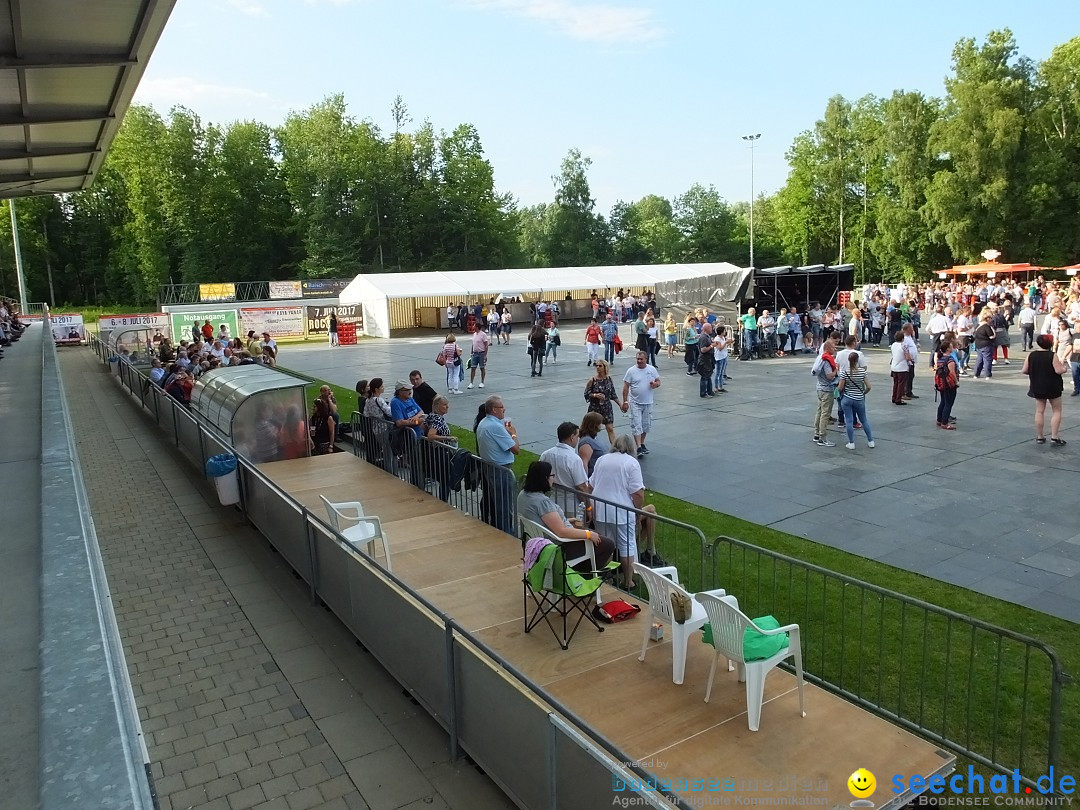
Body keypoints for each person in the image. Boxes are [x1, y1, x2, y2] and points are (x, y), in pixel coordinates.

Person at [518, 461, 615, 573]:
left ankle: (582, 570)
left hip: (543, 540)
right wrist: (588, 534)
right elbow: (561, 532)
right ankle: (584, 574)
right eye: (552, 476)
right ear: (544, 478)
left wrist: (567, 521)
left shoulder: (523, 495)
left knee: (599, 536)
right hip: (559, 546)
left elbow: (543, 522)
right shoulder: (542, 502)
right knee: (608, 544)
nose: (553, 479)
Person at [589, 434, 646, 589]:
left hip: (600, 508)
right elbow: (638, 493)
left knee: (605, 545)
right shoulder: (631, 463)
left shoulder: (602, 459)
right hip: (621, 511)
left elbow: (591, 485)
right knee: (626, 546)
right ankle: (628, 581)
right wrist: (637, 510)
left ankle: (605, 580)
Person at [475, 396, 519, 535]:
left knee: (497, 502)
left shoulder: (484, 422)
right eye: (501, 407)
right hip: (501, 469)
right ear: (494, 409)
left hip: (491, 467)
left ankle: (499, 528)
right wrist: (513, 434)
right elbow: (516, 449)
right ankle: (506, 532)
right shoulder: (495, 426)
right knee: (504, 505)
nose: (504, 409)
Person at [1022, 334, 1067, 445]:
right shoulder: (1052, 355)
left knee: (1039, 411)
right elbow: (1058, 370)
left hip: (1037, 385)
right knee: (1056, 411)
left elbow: (1024, 370)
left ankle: (1040, 436)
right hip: (1052, 386)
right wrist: (1064, 368)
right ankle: (1054, 437)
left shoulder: (1031, 355)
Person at [539, 421, 590, 517]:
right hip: (572, 506)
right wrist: (589, 507)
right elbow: (582, 486)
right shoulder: (574, 459)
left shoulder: (546, 454)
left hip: (552, 503)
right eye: (577, 436)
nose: (578, 439)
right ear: (572, 437)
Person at [621, 350, 661, 458]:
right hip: (635, 402)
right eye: (637, 359)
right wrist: (625, 401)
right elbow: (625, 387)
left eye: (641, 359)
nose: (639, 361)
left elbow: (659, 381)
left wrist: (655, 385)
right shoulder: (631, 371)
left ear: (645, 359)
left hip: (648, 402)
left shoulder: (651, 369)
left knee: (646, 424)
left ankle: (642, 443)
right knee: (636, 424)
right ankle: (638, 446)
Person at [837, 348, 874, 451]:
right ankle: (871, 441)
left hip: (847, 398)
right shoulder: (862, 372)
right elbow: (869, 386)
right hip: (859, 398)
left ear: (849, 361)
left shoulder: (845, 372)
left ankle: (851, 443)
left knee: (848, 421)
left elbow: (840, 388)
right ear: (857, 361)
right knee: (864, 420)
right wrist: (863, 393)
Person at [584, 359, 621, 446]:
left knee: (610, 428)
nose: (598, 367)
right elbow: (586, 394)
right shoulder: (592, 380)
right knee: (592, 430)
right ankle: (588, 446)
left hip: (606, 407)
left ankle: (615, 448)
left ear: (605, 367)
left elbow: (613, 394)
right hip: (595, 407)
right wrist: (594, 395)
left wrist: (620, 404)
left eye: (600, 366)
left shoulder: (608, 379)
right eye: (596, 365)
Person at [811, 339, 838, 447]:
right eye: (833, 347)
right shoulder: (826, 360)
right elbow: (829, 376)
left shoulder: (820, 358)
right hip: (826, 389)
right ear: (827, 348)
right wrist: (836, 370)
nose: (835, 349)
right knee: (825, 413)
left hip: (819, 388)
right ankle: (822, 438)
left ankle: (816, 434)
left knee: (820, 411)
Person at [934, 337, 960, 430]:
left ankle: (939, 419)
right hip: (949, 384)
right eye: (951, 346)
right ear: (948, 349)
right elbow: (952, 373)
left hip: (941, 383)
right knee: (949, 403)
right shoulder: (950, 360)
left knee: (943, 401)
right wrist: (956, 382)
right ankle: (945, 422)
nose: (952, 347)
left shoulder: (940, 358)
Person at [973, 311, 996, 380]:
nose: (991, 319)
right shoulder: (986, 327)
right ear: (987, 318)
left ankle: (976, 374)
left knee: (979, 359)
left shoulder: (977, 326)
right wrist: (994, 333)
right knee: (987, 360)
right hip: (987, 345)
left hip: (978, 345)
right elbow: (991, 336)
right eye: (991, 318)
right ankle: (987, 374)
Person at [467, 324, 490, 389]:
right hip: (475, 353)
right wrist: (471, 352)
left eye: (474, 326)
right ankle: (471, 383)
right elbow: (473, 344)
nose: (473, 327)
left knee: (482, 368)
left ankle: (482, 382)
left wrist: (485, 355)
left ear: (477, 327)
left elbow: (486, 345)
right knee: (473, 368)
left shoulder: (483, 334)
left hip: (481, 353)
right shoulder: (474, 334)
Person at [889, 331, 908, 406]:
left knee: (895, 383)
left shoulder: (893, 345)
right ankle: (898, 398)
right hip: (902, 367)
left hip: (894, 366)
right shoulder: (904, 346)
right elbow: (907, 357)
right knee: (901, 383)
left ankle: (894, 397)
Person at [711, 326, 730, 393]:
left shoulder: (722, 338)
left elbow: (724, 346)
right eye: (724, 331)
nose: (725, 332)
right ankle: (716, 387)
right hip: (719, 357)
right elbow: (720, 348)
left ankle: (720, 386)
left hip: (724, 355)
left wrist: (728, 342)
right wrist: (725, 342)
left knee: (721, 372)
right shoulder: (717, 339)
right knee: (718, 372)